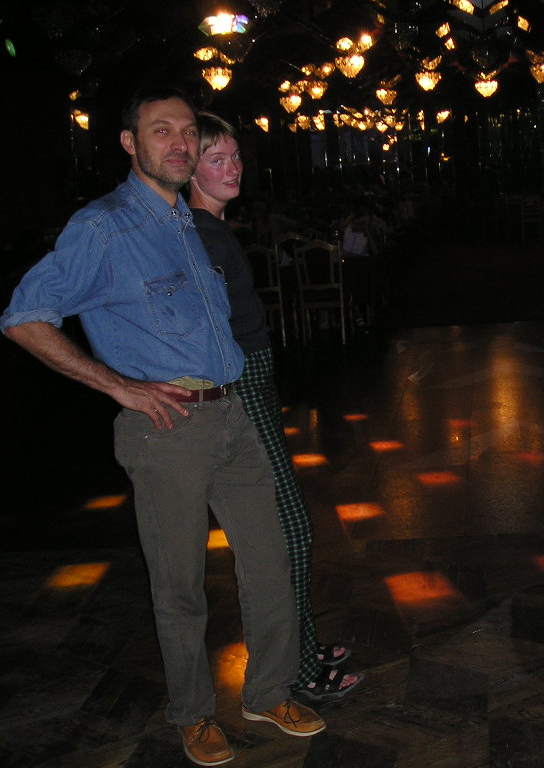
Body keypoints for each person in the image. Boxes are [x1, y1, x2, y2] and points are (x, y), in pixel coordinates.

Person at [0, 86, 325, 767]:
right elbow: (24, 318)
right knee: (180, 585)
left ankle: (268, 691)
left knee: (271, 564)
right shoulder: (103, 228)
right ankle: (193, 713)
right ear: (129, 143)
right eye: (161, 130)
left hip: (232, 413)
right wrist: (119, 386)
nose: (179, 142)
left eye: (186, 131)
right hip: (167, 428)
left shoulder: (185, 223)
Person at [187, 111, 363, 702]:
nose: (233, 167)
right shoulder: (200, 234)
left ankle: (301, 645)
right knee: (289, 531)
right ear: (189, 169)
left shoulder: (212, 229)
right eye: (216, 158)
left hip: (251, 379)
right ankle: (299, 668)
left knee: (289, 530)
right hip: (240, 385)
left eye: (235, 155)